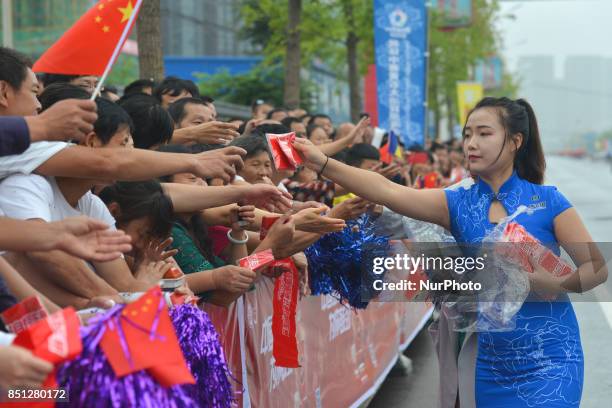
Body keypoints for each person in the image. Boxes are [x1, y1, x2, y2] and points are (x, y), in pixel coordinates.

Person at [293, 96, 607, 408]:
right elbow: (386, 189)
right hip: (489, 366)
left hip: (552, 360)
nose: (471, 143)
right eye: (467, 134)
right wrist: (321, 162)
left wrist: (557, 284)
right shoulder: (456, 203)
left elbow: (597, 268)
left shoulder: (548, 201)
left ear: (515, 141)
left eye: (484, 134)